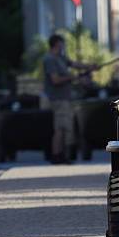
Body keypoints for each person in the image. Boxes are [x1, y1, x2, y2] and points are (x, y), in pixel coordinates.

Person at [43, 34, 94, 164]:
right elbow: (55, 80)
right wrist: (72, 77)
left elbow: (74, 64)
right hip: (58, 99)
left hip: (65, 98)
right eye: (62, 44)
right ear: (56, 44)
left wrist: (90, 66)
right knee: (61, 127)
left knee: (65, 127)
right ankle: (57, 155)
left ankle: (60, 154)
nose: (63, 46)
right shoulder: (50, 59)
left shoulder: (60, 57)